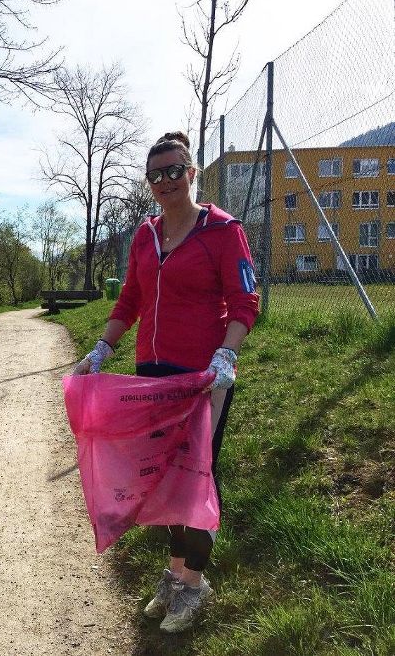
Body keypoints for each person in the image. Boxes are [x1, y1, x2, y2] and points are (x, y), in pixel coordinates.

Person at [72, 131, 259, 633]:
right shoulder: (145, 236)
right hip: (153, 378)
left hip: (203, 378)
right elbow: (130, 300)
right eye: (155, 175)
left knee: (195, 475)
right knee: (162, 475)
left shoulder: (223, 231)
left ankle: (194, 585)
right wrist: (102, 348)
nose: (165, 182)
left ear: (192, 173)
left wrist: (226, 353)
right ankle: (176, 575)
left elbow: (245, 302)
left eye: (175, 171)